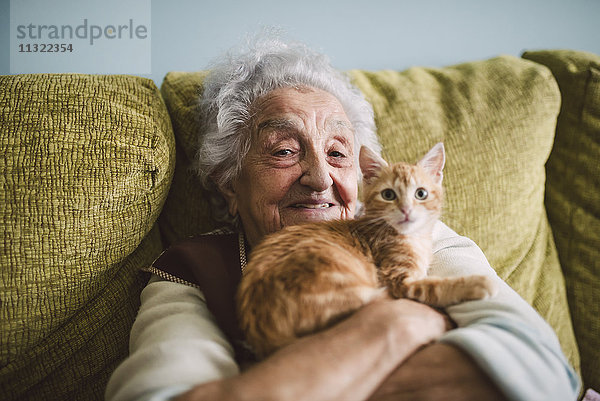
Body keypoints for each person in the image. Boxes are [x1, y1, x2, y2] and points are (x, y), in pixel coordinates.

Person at [105, 35, 580, 401]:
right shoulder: (188, 270)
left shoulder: (419, 233)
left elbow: (542, 372)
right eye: (285, 150)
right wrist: (398, 326)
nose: (319, 177)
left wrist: (286, 379)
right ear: (230, 184)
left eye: (338, 153)